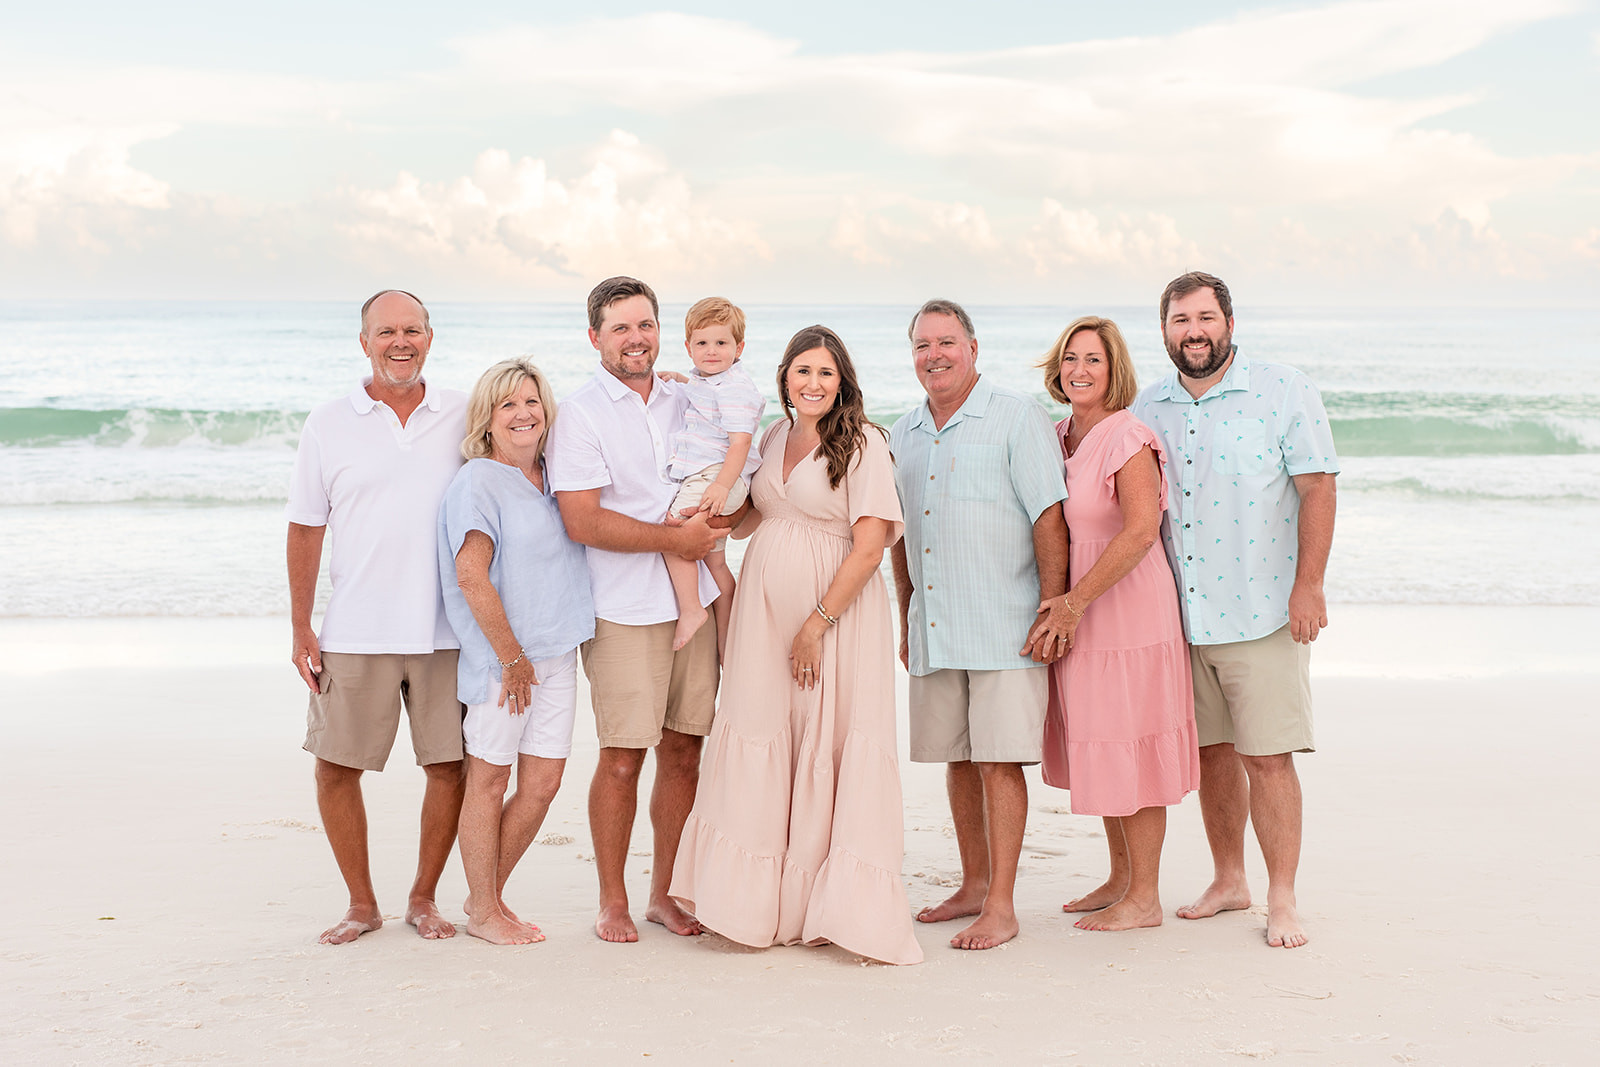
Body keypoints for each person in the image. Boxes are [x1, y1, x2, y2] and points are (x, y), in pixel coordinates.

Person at [670, 326, 922, 966]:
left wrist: (815, 624)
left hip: (831, 617)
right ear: (783, 377)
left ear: (843, 383)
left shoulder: (863, 444)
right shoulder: (774, 438)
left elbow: (870, 547)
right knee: (761, 727)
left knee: (825, 738)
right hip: (760, 612)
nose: (813, 383)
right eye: (802, 371)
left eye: (826, 373)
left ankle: (834, 909)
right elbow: (758, 512)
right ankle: (755, 903)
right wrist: (708, 517)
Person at [1131, 271, 1339, 949]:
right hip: (1180, 619)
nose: (1193, 332)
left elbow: (1317, 488)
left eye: (1204, 317)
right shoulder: (1148, 404)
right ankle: (1229, 879)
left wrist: (1309, 585)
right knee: (1210, 754)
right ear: (1164, 330)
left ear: (1228, 321)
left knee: (1268, 758)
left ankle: (1282, 897)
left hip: (1262, 611)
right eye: (1179, 320)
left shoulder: (1283, 389)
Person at [286, 289, 466, 945]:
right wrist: (302, 626)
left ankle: (424, 897)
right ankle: (361, 903)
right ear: (364, 341)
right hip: (356, 628)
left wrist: (674, 386)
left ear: (429, 336)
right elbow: (305, 527)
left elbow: (536, 432)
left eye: (412, 329)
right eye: (386, 330)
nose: (400, 341)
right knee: (336, 766)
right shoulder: (329, 422)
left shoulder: (463, 413)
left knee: (451, 766)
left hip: (448, 630)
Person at [546, 276, 723, 943]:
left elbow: (733, 458)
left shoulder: (689, 397)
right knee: (623, 755)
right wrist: (674, 538)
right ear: (594, 337)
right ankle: (612, 899)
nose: (635, 338)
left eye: (644, 324)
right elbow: (582, 520)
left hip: (695, 603)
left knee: (684, 750)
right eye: (619, 327)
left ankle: (665, 894)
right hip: (622, 609)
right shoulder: (582, 413)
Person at [889, 299, 1069, 951]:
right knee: (958, 762)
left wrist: (1056, 604)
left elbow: (1050, 516)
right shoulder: (902, 431)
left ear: (972, 347)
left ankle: (1001, 904)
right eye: (921, 345)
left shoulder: (1016, 416)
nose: (933, 355)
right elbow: (898, 536)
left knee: (998, 763)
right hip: (935, 624)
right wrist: (905, 613)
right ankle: (971, 883)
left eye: (946, 342)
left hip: (1006, 623)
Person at [1033, 316, 1200, 931]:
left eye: (1094, 360)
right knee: (1104, 741)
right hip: (1082, 604)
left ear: (1114, 370)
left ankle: (1145, 897)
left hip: (1126, 607)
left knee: (1134, 742)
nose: (1080, 369)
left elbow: (1139, 531)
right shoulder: (1057, 435)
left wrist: (1076, 602)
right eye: (1071, 358)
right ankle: (1119, 877)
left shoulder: (1128, 436)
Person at [438, 358, 595, 945]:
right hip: (505, 665)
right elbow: (471, 575)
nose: (523, 414)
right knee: (489, 780)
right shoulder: (479, 481)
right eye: (508, 405)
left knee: (543, 784)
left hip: (558, 653)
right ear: (487, 419)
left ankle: (487, 898)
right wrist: (510, 657)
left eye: (532, 402)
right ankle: (484, 911)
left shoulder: (556, 477)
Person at [659, 297, 766, 658]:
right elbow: (701, 393)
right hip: (717, 478)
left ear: (739, 348)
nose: (711, 351)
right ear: (688, 348)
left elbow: (740, 442)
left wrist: (721, 485)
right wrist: (679, 378)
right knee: (715, 562)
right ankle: (726, 645)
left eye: (721, 343)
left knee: (673, 532)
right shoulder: (709, 380)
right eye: (702, 343)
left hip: (715, 477)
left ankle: (691, 610)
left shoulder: (734, 387)